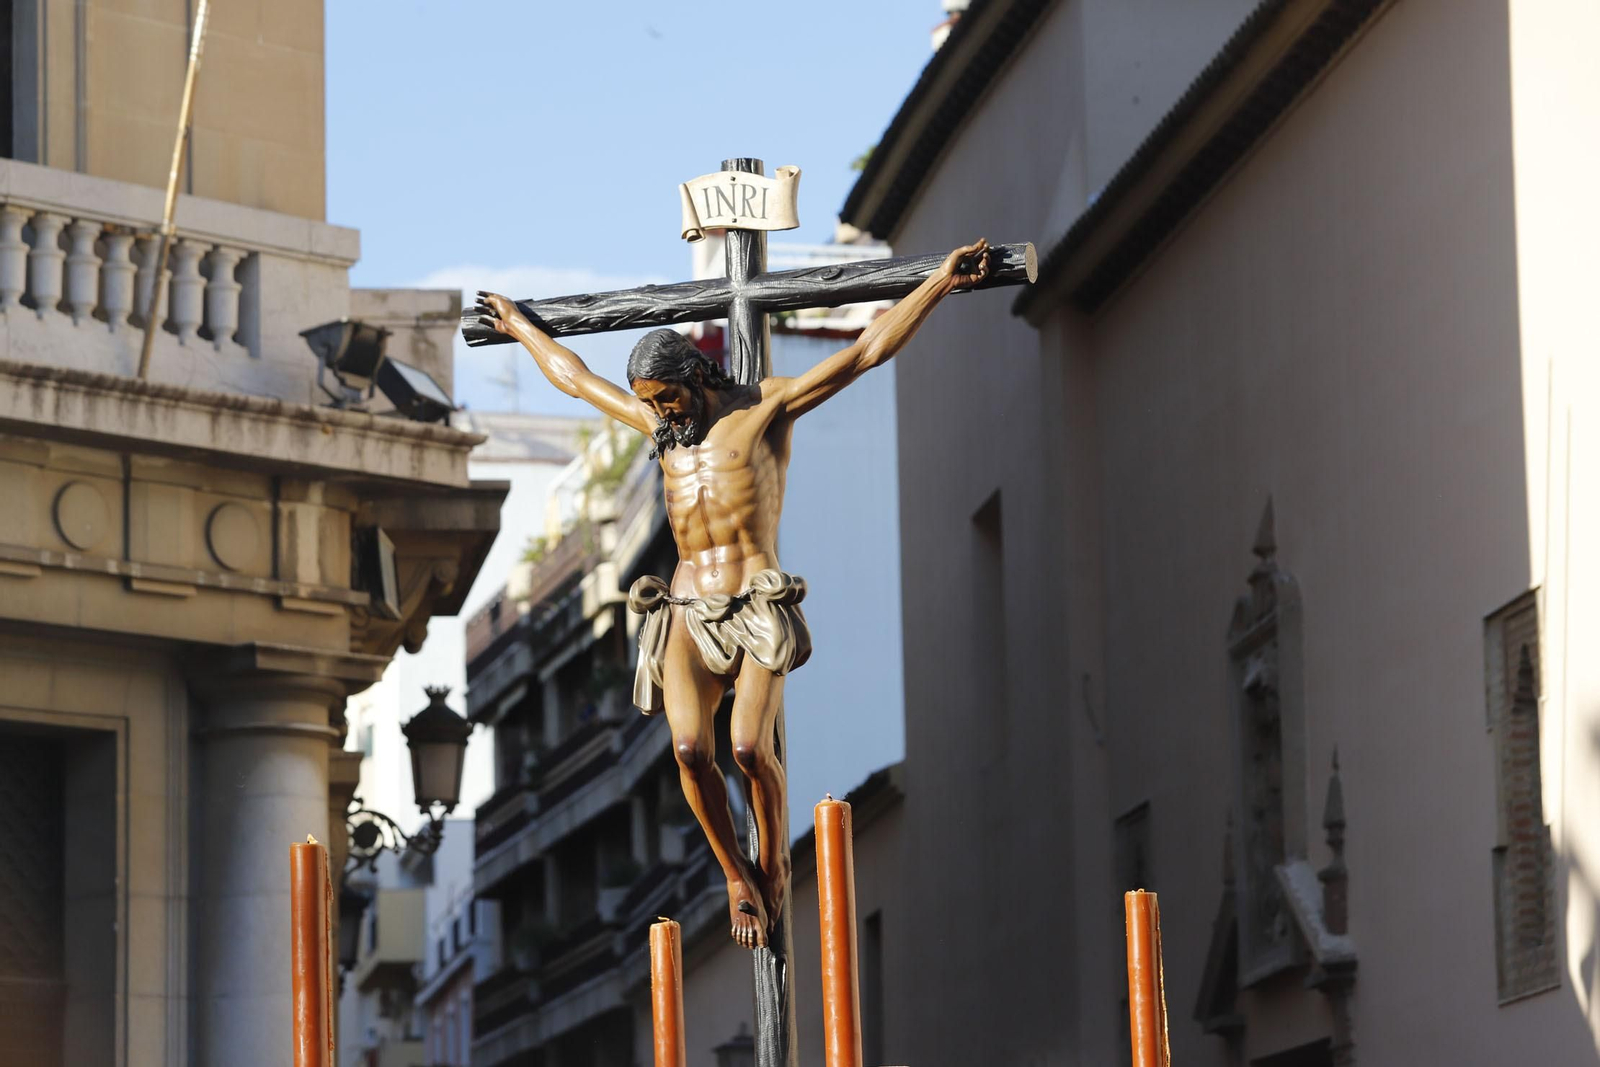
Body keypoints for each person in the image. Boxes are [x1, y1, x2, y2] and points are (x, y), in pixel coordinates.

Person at [473, 237, 991, 948]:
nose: (658, 413)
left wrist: (937, 283)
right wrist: (523, 328)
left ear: (694, 376)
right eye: (650, 403)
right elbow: (578, 380)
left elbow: (865, 351)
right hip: (687, 608)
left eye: (666, 397)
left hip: (752, 602)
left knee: (748, 745)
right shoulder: (660, 427)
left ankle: (773, 853)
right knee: (690, 748)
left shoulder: (762, 410)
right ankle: (735, 873)